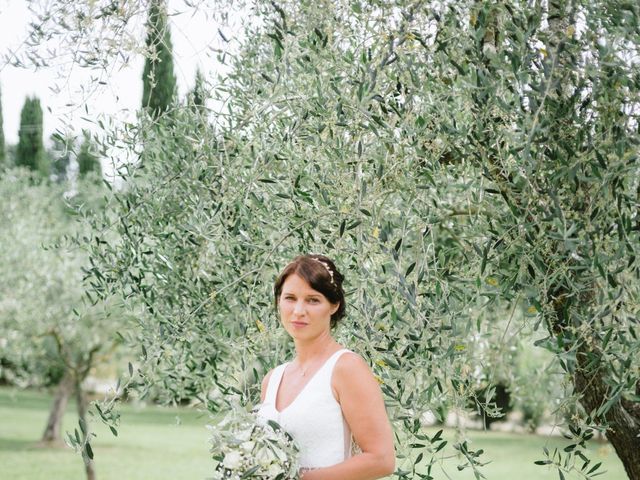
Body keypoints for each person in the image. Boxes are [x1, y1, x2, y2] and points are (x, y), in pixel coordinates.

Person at [257, 254, 395, 480]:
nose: (299, 310)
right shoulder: (272, 379)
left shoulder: (346, 368)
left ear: (334, 305)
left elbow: (381, 459)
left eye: (313, 300)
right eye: (290, 298)